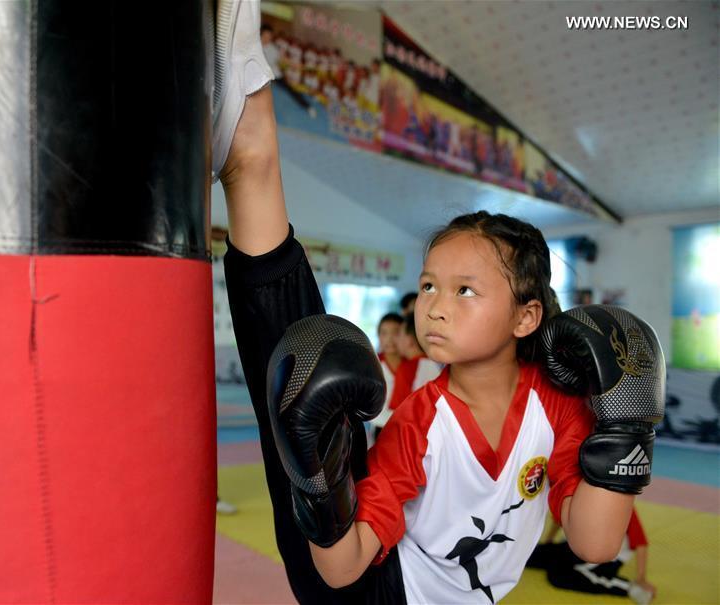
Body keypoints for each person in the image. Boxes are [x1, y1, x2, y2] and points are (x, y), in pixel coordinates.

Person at [213, 6, 663, 602]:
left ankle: (250, 155)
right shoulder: (419, 422)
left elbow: (595, 545)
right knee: (300, 364)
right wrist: (317, 483)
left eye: (465, 290)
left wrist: (628, 421)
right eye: (428, 286)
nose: (435, 306)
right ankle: (250, 154)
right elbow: (342, 571)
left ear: (527, 316)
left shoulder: (554, 408)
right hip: (374, 588)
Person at [526, 508, 656, 605]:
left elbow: (640, 542)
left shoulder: (619, 501)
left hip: (603, 556)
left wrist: (641, 577)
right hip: (575, 545)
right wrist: (548, 543)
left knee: (558, 576)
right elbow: (559, 517)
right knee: (531, 556)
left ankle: (628, 587)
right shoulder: (571, 487)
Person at [388, 314, 441, 411]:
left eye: (399, 334)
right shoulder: (438, 364)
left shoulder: (407, 368)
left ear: (409, 340)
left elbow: (398, 410)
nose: (396, 339)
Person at [369, 313, 404, 441]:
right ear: (379, 336)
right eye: (384, 333)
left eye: (396, 333)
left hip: (407, 429)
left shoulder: (414, 365)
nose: (389, 339)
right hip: (380, 427)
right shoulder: (373, 364)